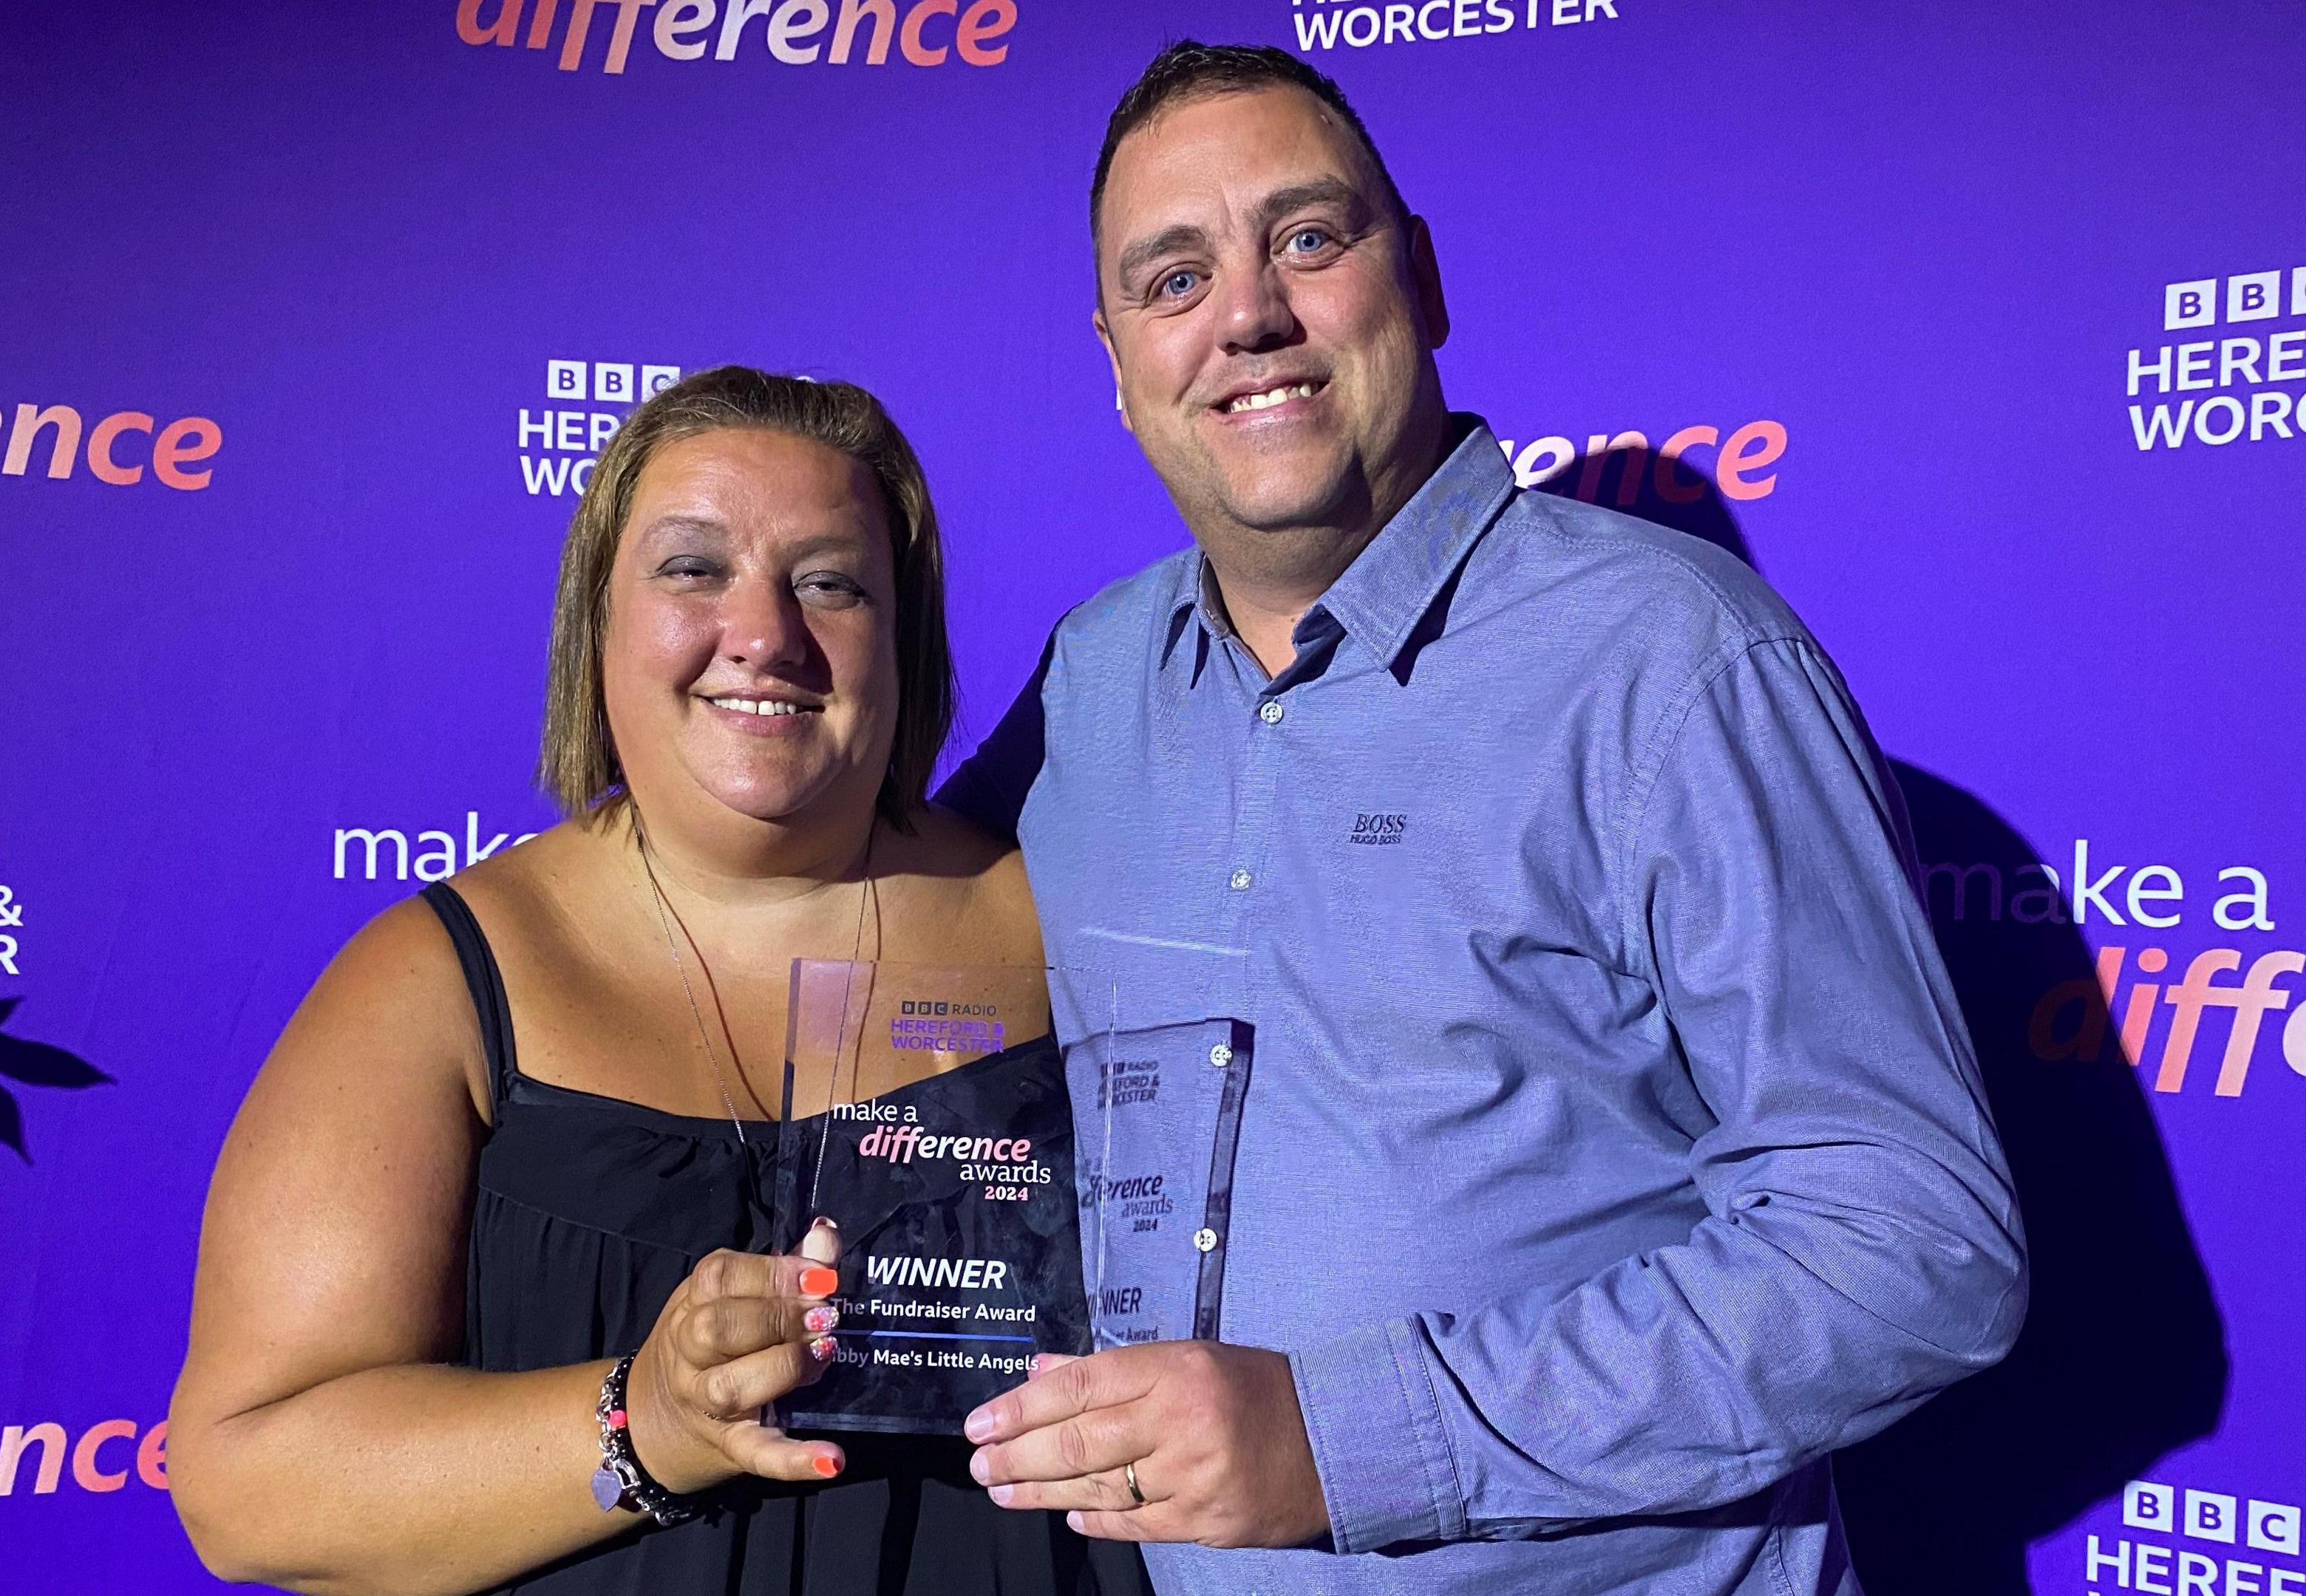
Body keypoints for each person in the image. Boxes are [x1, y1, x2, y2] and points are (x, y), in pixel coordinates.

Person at [939, 43, 2026, 1596]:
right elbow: (879, 934)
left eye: (1308, 241)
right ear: (1118, 366)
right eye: (1174, 278)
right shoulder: (1091, 679)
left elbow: (1914, 1250)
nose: (1249, 314)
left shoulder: (1677, 662)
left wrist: (1346, 1436)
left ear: (1423, 280)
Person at [169, 367, 1143, 1596]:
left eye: (831, 582)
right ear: (599, 622)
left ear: (906, 638)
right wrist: (649, 1425)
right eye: (694, 569)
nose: (765, 634)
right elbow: (247, 1489)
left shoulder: (1078, 930)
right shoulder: (443, 978)